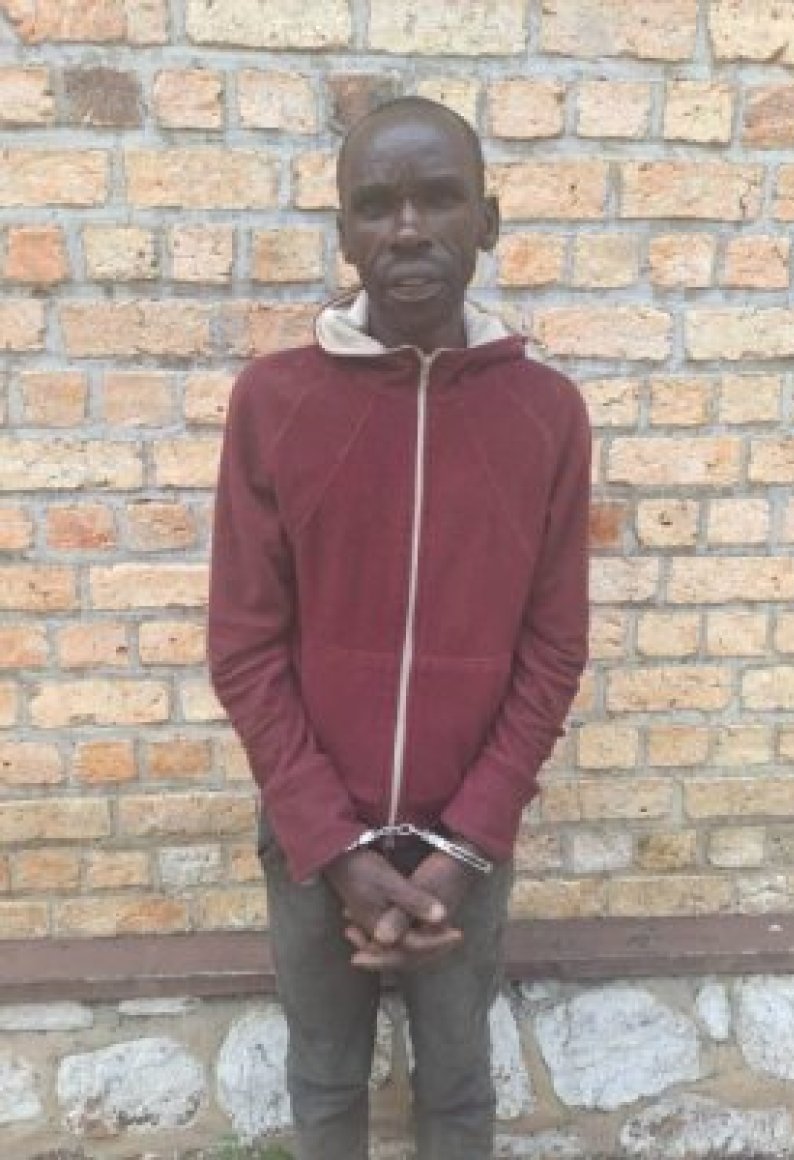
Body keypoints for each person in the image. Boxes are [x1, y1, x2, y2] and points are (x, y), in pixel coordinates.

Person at [208, 96, 591, 1160]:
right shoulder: (274, 402)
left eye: (439, 198)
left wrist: (464, 848)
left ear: (488, 220)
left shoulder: (546, 414)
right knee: (325, 1082)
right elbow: (243, 644)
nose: (409, 228)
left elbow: (554, 646)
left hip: (467, 834)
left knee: (459, 1090)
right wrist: (332, 847)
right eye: (377, 205)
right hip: (312, 832)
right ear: (344, 233)